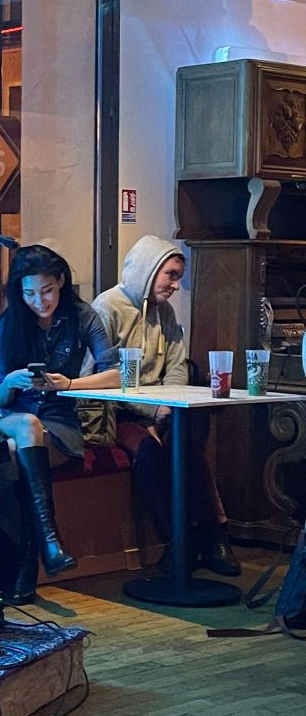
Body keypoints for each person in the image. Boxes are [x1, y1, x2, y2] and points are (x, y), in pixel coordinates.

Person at [88, 234, 241, 576]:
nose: (175, 285)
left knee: (189, 446)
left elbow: (177, 366)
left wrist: (165, 407)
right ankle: (179, 540)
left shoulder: (166, 313)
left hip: (163, 407)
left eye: (178, 277)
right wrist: (151, 412)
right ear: (148, 269)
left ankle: (215, 534)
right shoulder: (107, 307)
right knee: (149, 453)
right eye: (170, 275)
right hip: (119, 410)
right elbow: (100, 375)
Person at [0, 245, 120, 603]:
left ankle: (25, 569)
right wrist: (11, 382)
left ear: (60, 281)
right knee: (26, 425)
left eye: (46, 291)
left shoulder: (83, 316)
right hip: (12, 417)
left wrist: (69, 384)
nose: (39, 302)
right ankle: (50, 541)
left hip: (59, 420)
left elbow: (116, 374)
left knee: (16, 458)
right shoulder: (8, 322)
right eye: (29, 293)